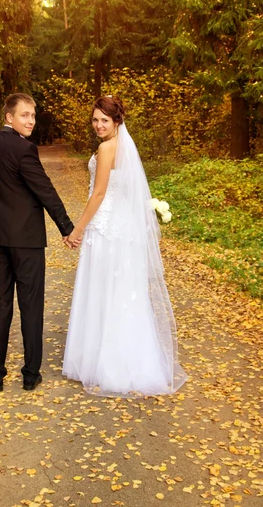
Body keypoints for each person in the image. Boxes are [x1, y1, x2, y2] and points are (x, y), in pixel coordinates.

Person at [62, 96, 187, 397]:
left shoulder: (107, 148)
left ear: (117, 121)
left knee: (104, 291)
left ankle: (108, 365)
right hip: (121, 228)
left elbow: (100, 192)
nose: (98, 125)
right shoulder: (125, 147)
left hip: (105, 228)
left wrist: (76, 230)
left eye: (104, 120)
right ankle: (125, 362)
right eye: (95, 120)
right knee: (119, 292)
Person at [0, 93, 75, 393]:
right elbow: (45, 190)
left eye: (32, 115)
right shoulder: (24, 149)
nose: (30, 120)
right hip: (26, 242)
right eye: (24, 115)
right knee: (30, 306)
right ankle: (30, 375)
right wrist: (66, 227)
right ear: (9, 117)